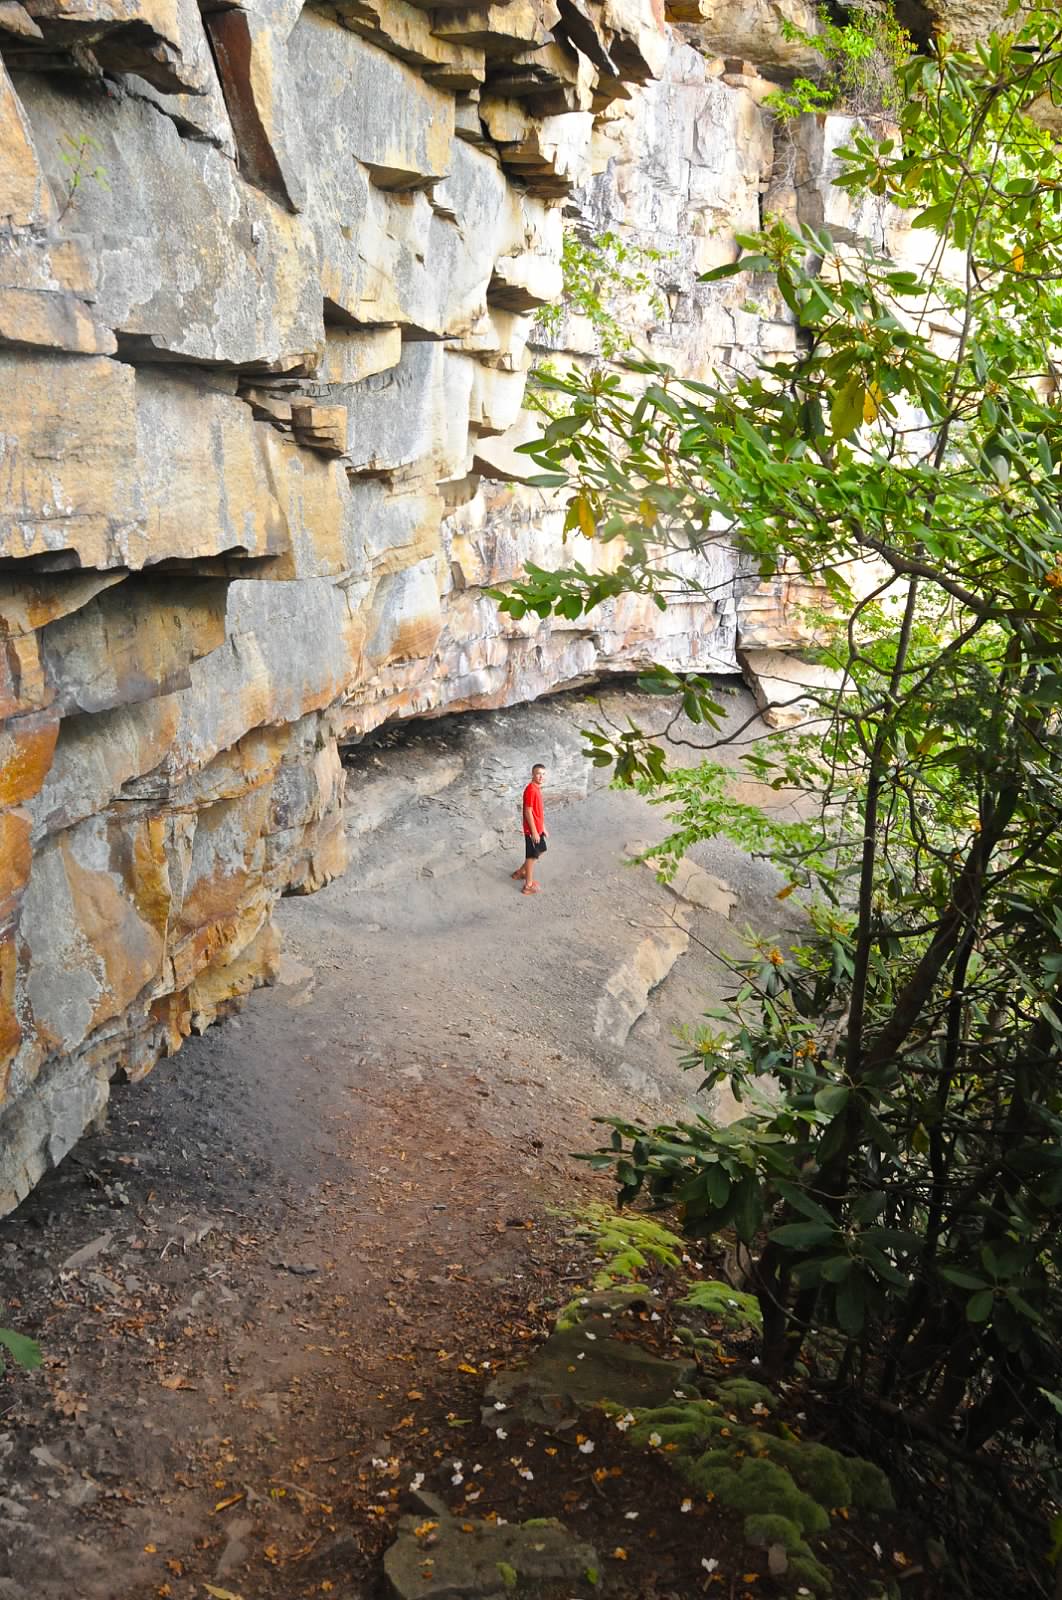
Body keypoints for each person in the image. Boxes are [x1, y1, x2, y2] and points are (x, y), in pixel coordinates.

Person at [511, 762, 548, 895]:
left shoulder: (537, 788)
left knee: (541, 850)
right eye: (538, 774)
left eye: (543, 774)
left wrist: (542, 827)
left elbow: (537, 811)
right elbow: (528, 811)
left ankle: (520, 872)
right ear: (532, 774)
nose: (541, 776)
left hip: (537, 829)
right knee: (531, 857)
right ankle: (528, 886)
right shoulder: (531, 790)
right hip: (532, 831)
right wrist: (534, 832)